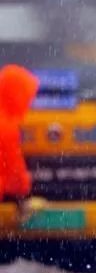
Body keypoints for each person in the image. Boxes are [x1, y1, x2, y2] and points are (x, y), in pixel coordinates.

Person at [0, 64, 39, 220]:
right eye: (27, 96)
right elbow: (12, 169)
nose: (28, 103)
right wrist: (24, 199)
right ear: (16, 94)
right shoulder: (5, 125)